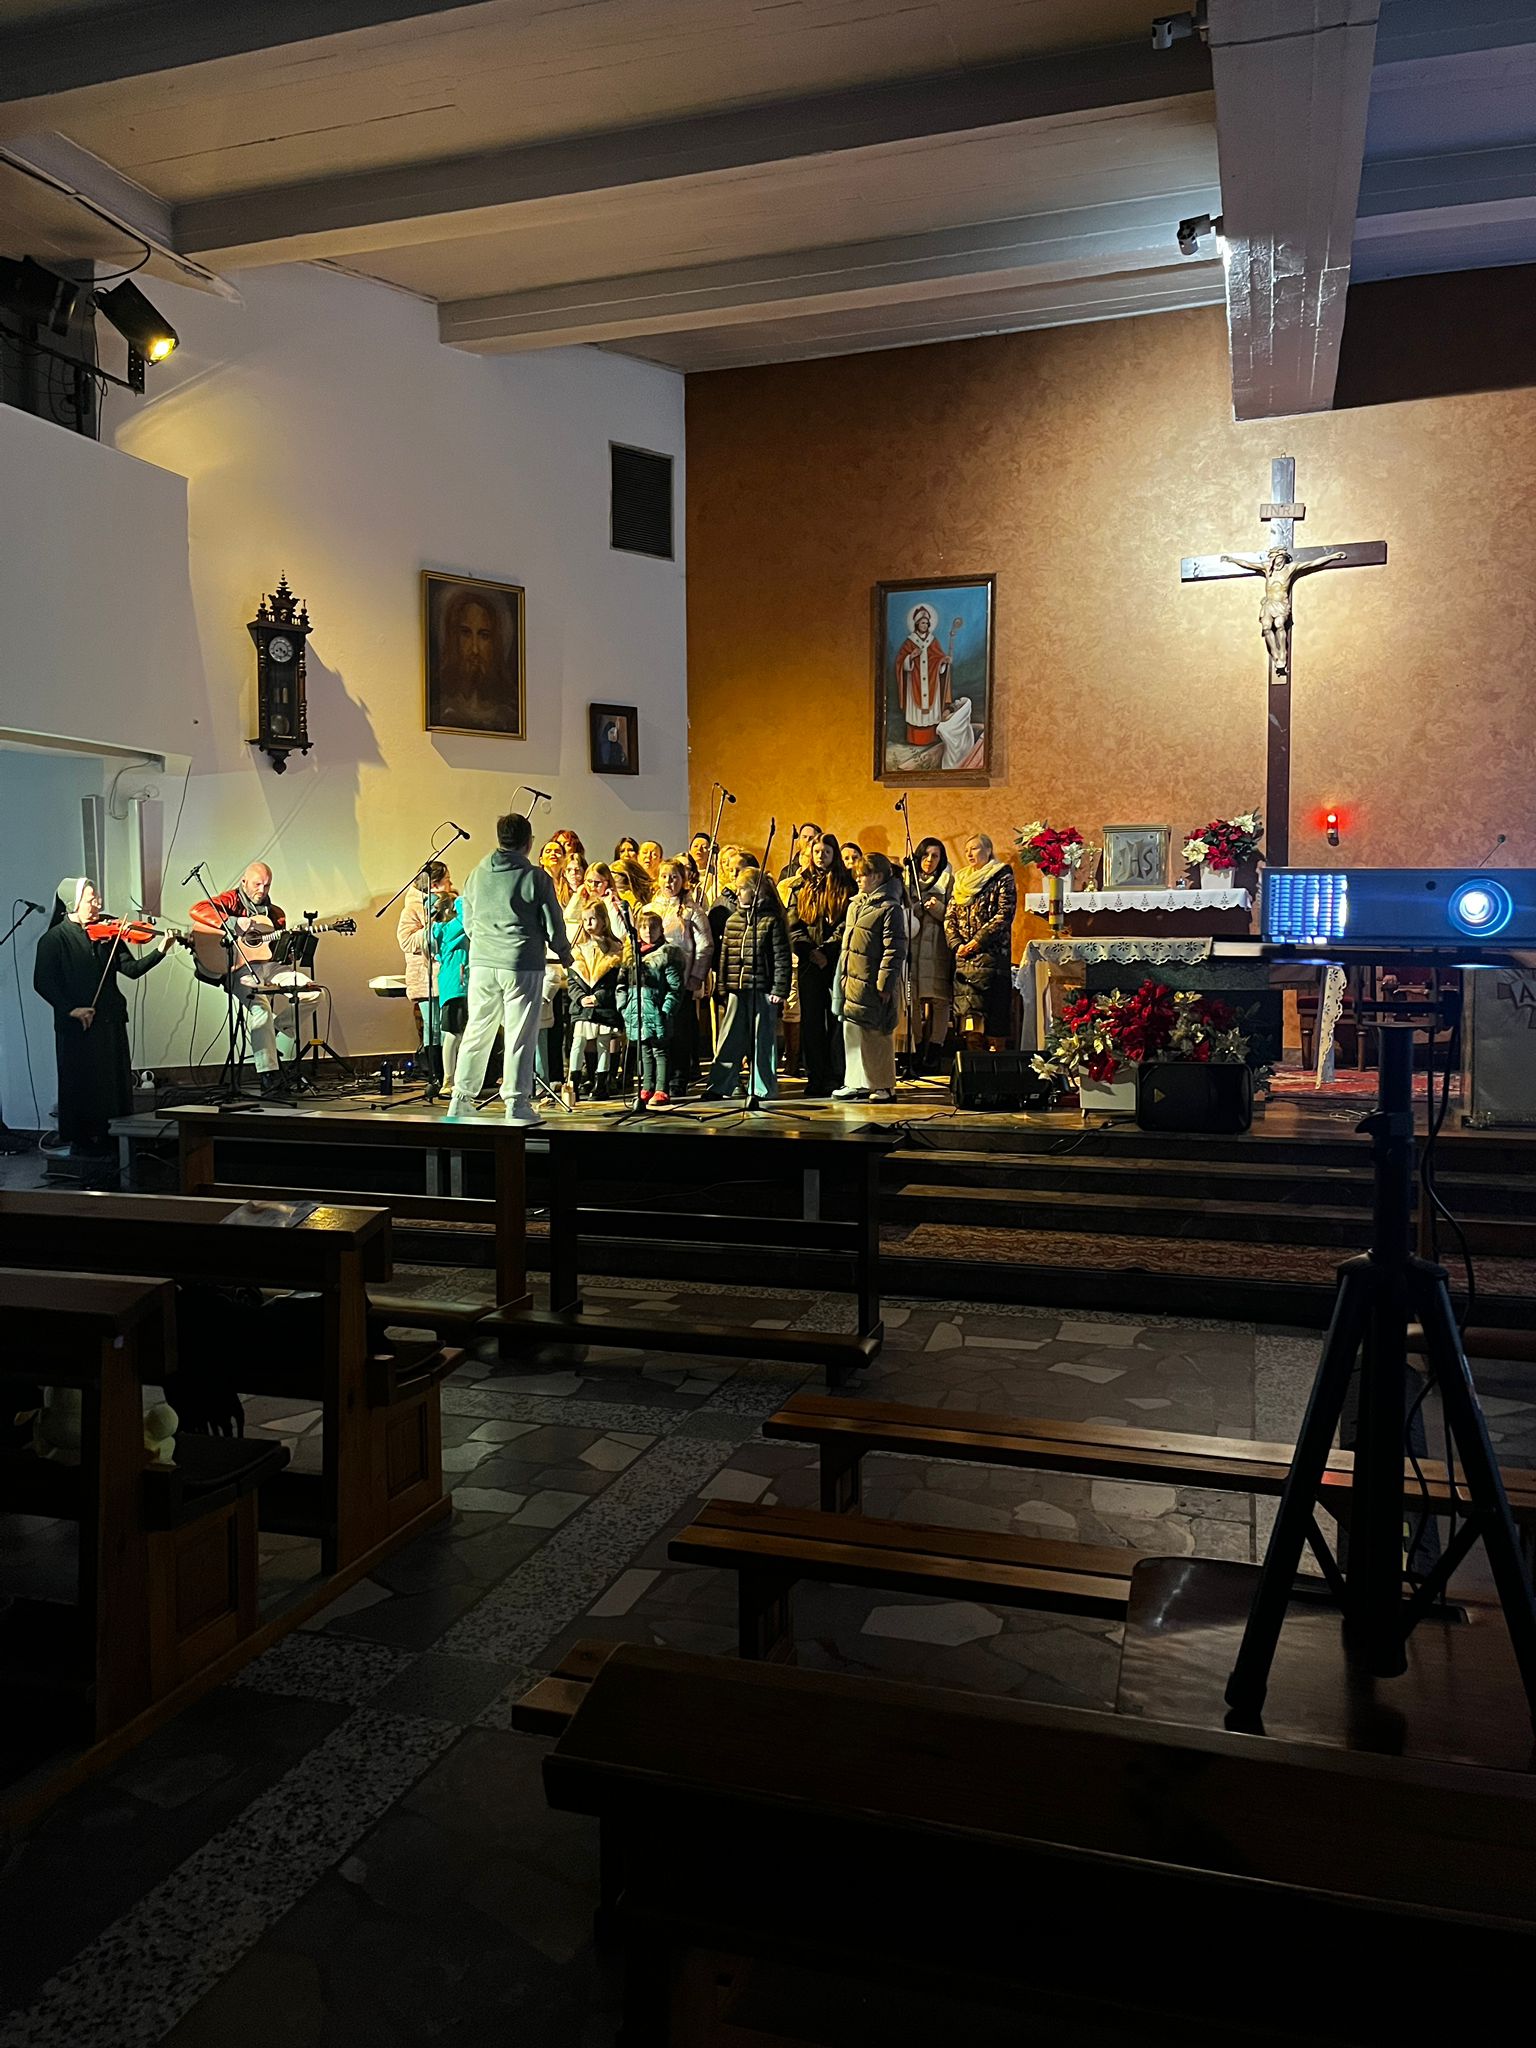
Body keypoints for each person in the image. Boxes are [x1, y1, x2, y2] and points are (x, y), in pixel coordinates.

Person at [32, 878, 175, 1155]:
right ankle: (84, 1142)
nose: (98, 904)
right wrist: (71, 1009)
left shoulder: (108, 934)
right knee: (81, 1084)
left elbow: (131, 969)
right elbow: (43, 983)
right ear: (73, 903)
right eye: (91, 900)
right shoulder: (53, 939)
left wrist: (161, 950)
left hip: (110, 1020)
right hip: (77, 1026)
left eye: (97, 898)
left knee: (113, 1084)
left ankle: (114, 1139)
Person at [448, 812, 572, 1126]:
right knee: (519, 1034)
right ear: (528, 842)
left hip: (482, 963)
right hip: (521, 963)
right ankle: (516, 1104)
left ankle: (460, 1099)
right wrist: (564, 953)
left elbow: (468, 920)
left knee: (477, 1030)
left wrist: (484, 943)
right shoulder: (536, 877)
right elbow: (553, 922)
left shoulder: (476, 874)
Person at [189, 861, 292, 1093]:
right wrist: (233, 922)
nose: (262, 890)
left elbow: (275, 951)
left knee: (314, 993)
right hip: (239, 969)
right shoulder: (231, 900)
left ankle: (275, 1029)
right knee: (261, 1009)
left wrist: (288, 948)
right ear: (244, 882)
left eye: (267, 885)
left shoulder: (276, 914)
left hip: (269, 966)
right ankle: (268, 1074)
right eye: (257, 884)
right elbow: (198, 909)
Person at [702, 864, 791, 1100]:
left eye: (743, 888)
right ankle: (720, 1085)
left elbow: (781, 957)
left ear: (756, 890)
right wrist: (723, 987)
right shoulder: (733, 921)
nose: (739, 893)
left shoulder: (771, 921)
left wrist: (779, 989)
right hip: (736, 989)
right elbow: (724, 957)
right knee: (729, 1039)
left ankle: (762, 1088)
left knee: (762, 1041)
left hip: (763, 989)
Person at [832, 853, 908, 1104]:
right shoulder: (855, 905)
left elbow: (894, 949)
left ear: (877, 876)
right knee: (853, 1031)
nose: (858, 879)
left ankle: (883, 1084)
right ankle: (856, 1082)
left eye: (862, 874)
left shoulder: (890, 908)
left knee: (876, 1033)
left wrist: (884, 983)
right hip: (852, 979)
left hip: (873, 980)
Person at [784, 833, 852, 1097]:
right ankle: (815, 1075)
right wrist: (810, 951)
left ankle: (835, 1076)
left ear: (834, 855)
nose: (821, 856)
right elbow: (793, 925)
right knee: (811, 1021)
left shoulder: (846, 885)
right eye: (817, 852)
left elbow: (847, 924)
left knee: (836, 1021)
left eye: (826, 852)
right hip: (809, 962)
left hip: (835, 960)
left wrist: (827, 951)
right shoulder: (800, 886)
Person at [945, 833, 1018, 1050]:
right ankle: (973, 1060)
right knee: (970, 1021)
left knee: (994, 1016)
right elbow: (950, 917)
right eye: (967, 850)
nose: (969, 853)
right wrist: (957, 944)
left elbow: (1004, 913)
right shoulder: (961, 880)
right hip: (964, 959)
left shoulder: (1001, 875)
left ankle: (994, 1064)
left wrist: (978, 941)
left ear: (988, 850)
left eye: (975, 848)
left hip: (991, 957)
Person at [649, 857, 713, 1091]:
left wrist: (696, 976)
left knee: (680, 1030)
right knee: (657, 1029)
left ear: (683, 880)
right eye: (664, 876)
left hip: (681, 981)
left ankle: (679, 1077)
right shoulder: (649, 909)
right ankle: (657, 1079)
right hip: (654, 982)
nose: (669, 881)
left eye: (674, 877)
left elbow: (705, 945)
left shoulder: (692, 911)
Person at [619, 910, 685, 1107]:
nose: (648, 931)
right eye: (643, 927)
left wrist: (666, 1009)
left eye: (653, 927)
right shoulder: (632, 955)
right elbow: (621, 984)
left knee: (659, 1050)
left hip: (657, 1011)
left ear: (661, 930)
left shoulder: (667, 954)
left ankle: (661, 1088)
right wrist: (623, 1006)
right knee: (644, 1050)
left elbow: (675, 987)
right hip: (636, 1010)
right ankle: (647, 1086)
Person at [904, 835, 955, 1070]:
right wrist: (916, 907)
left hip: (937, 947)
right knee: (912, 998)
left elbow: (955, 916)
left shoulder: (948, 881)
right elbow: (902, 912)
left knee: (939, 999)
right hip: (913, 948)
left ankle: (935, 1050)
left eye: (935, 856)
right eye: (925, 855)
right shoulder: (908, 881)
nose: (929, 860)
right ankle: (916, 1047)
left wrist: (938, 908)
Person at [435, 587, 517, 731]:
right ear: (452, 637)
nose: (474, 649)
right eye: (465, 633)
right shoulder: (438, 710)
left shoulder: (509, 716)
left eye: (484, 636)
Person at [567, 899, 626, 1100]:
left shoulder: (616, 950)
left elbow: (617, 983)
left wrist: (599, 997)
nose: (588, 923)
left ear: (603, 920)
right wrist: (581, 998)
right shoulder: (578, 950)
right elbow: (573, 982)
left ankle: (602, 1083)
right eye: (585, 920)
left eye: (592, 918)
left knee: (603, 1043)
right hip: (584, 1008)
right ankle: (573, 1083)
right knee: (578, 1042)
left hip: (603, 1007)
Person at [396, 859, 453, 1045]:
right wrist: (433, 930)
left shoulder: (451, 903)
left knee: (450, 1027)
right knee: (434, 1026)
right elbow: (406, 941)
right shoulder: (413, 908)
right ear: (434, 885)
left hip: (449, 974)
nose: (451, 884)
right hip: (426, 977)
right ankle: (434, 1061)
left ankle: (448, 1062)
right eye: (447, 880)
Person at [424, 884, 467, 1091]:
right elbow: (466, 915)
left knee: (459, 1035)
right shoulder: (448, 929)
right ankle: (449, 1080)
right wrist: (459, 899)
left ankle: (456, 1078)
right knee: (453, 1034)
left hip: (458, 985)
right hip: (456, 986)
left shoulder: (444, 930)